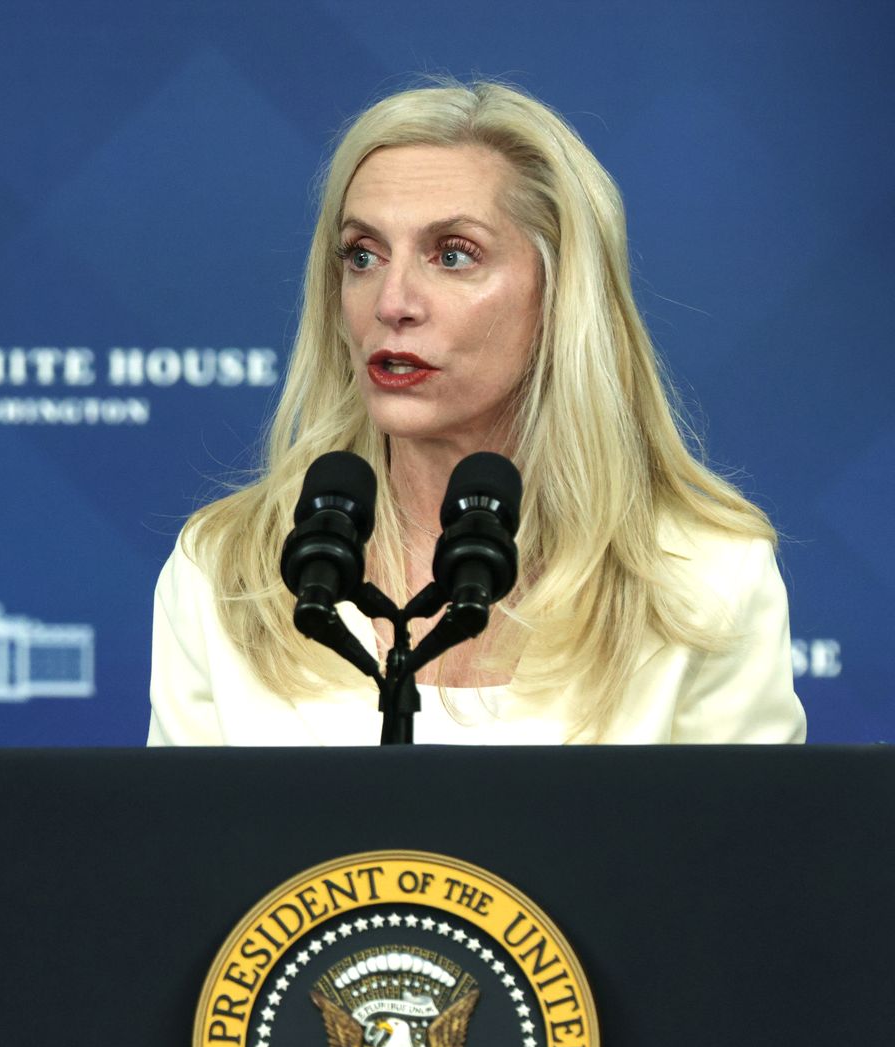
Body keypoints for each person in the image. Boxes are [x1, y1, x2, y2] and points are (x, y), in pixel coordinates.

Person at [148, 79, 805, 747]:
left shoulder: (703, 579)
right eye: (363, 255)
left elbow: (747, 852)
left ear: (559, 293)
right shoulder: (225, 572)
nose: (392, 301)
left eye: (453, 255)